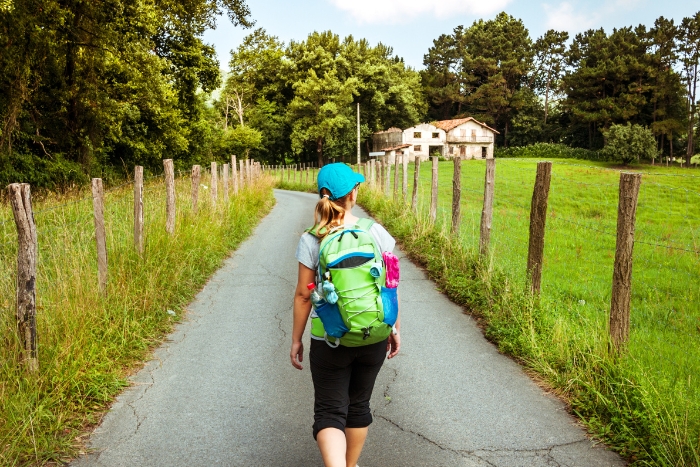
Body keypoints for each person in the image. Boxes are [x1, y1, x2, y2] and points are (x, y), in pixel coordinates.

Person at [290, 163, 401, 467]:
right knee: (358, 406)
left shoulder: (311, 239)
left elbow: (303, 295)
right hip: (373, 334)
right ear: (353, 193)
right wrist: (393, 326)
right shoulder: (374, 231)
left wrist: (296, 340)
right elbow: (389, 285)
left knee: (329, 412)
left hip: (329, 339)